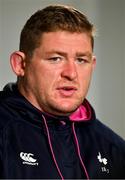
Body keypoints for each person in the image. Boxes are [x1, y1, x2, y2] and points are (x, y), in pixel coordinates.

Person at [0, 4, 125, 179]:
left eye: (81, 60)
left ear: (92, 65)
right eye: (56, 58)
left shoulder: (115, 149)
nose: (71, 73)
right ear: (20, 64)